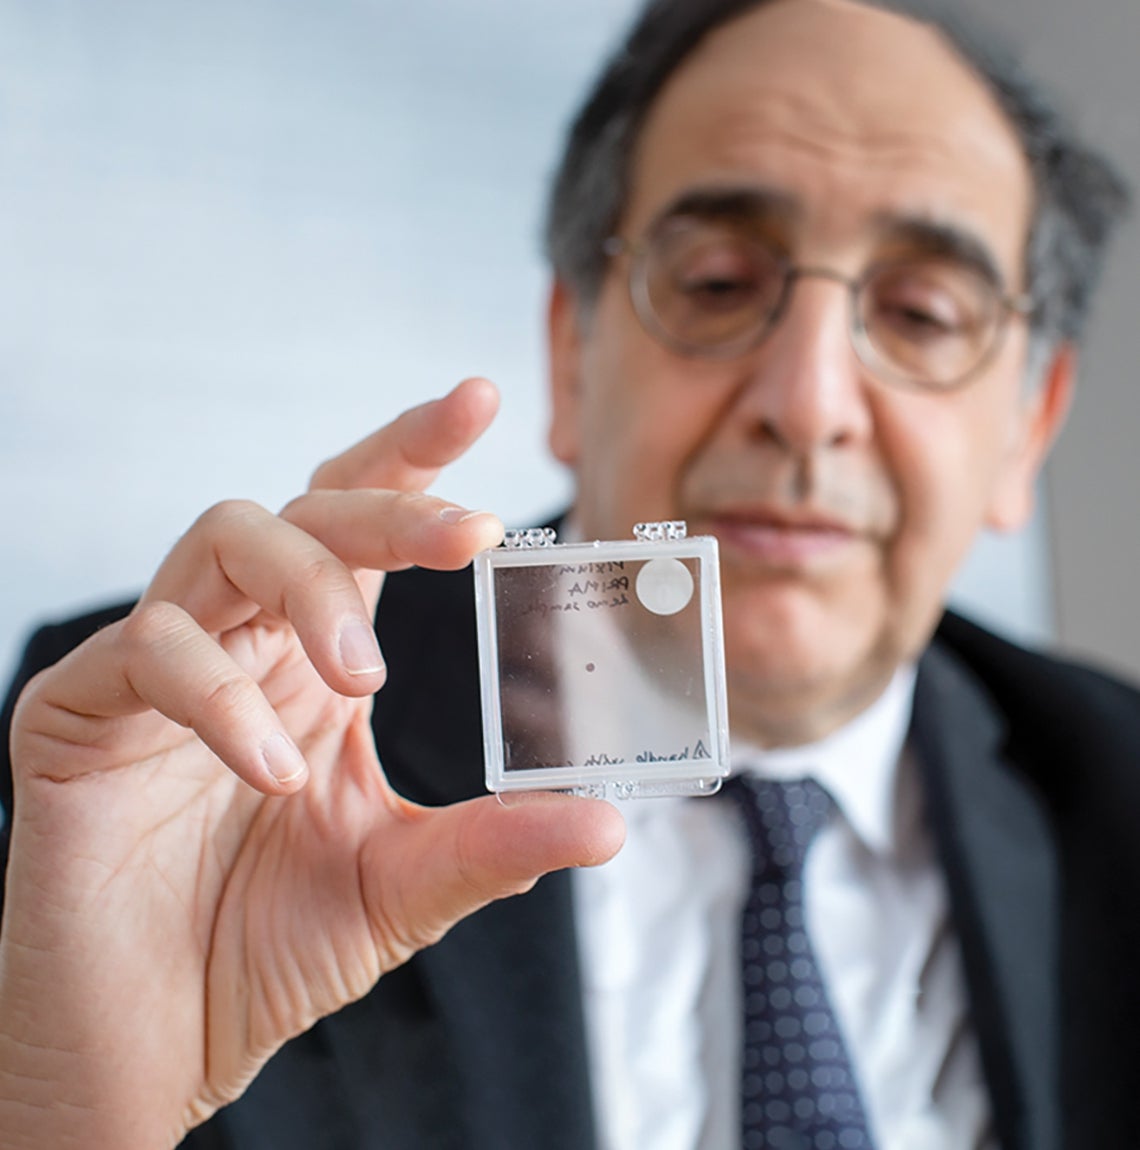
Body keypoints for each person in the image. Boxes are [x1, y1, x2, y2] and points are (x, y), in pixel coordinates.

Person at [0, 0, 1133, 1147]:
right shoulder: (192, 771)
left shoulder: (1119, 794)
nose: (808, 403)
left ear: (1029, 425)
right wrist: (86, 1110)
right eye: (719, 283)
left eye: (923, 313)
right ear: (570, 353)